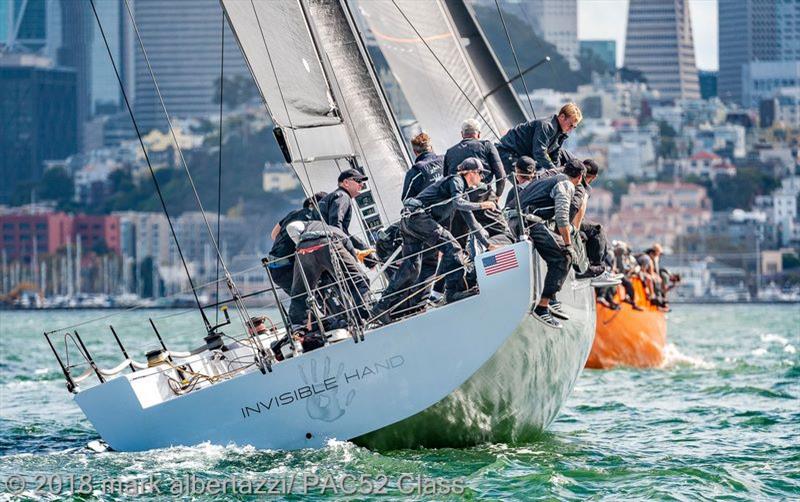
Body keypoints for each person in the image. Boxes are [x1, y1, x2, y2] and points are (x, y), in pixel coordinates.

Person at [372, 158, 498, 322]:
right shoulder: (456, 180)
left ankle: (380, 307)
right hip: (418, 217)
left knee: (412, 267)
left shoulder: (460, 192)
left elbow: (471, 222)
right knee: (453, 247)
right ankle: (452, 292)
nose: (481, 178)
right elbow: (458, 203)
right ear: (471, 173)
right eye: (480, 173)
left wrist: (488, 245)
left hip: (409, 220)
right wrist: (483, 205)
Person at [516, 158, 586, 328]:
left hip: (519, 220)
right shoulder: (566, 185)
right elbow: (562, 219)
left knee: (557, 251)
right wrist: (569, 245)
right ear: (580, 177)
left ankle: (551, 299)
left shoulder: (550, 179)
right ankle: (543, 306)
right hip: (528, 223)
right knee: (564, 257)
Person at [286, 219, 371, 349]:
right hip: (327, 243)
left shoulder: (302, 241)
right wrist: (353, 260)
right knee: (358, 280)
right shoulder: (329, 227)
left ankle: (297, 331)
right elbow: (346, 241)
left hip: (303, 252)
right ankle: (364, 315)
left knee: (300, 293)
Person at [444, 119, 512, 245]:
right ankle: (488, 253)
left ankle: (466, 261)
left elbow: (446, 180)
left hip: (460, 203)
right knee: (503, 234)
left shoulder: (449, 152)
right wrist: (497, 195)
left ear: (462, 134)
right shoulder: (486, 145)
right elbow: (501, 175)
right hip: (483, 197)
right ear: (478, 134)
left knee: (457, 245)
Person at [265, 192, 326, 295]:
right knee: (309, 296)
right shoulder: (313, 219)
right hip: (287, 267)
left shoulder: (293, 213)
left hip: (274, 266)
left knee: (304, 299)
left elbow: (273, 235)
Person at [496, 103, 582, 174]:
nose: (571, 129)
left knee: (536, 184)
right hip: (508, 152)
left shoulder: (561, 134)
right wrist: (554, 171)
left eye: (574, 127)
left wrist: (558, 173)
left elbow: (555, 157)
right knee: (527, 185)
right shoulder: (546, 126)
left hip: (524, 159)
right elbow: (539, 152)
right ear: (562, 117)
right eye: (570, 125)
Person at [318, 169, 371, 252]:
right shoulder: (343, 196)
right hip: (326, 245)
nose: (361, 185)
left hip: (322, 243)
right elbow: (335, 226)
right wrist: (350, 251)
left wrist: (365, 250)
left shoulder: (338, 195)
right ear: (346, 183)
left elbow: (343, 232)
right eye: (358, 181)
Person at [401, 133, 443, 201]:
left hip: (432, 210)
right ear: (431, 148)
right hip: (455, 207)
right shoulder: (446, 160)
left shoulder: (414, 172)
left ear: (415, 152)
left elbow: (406, 200)